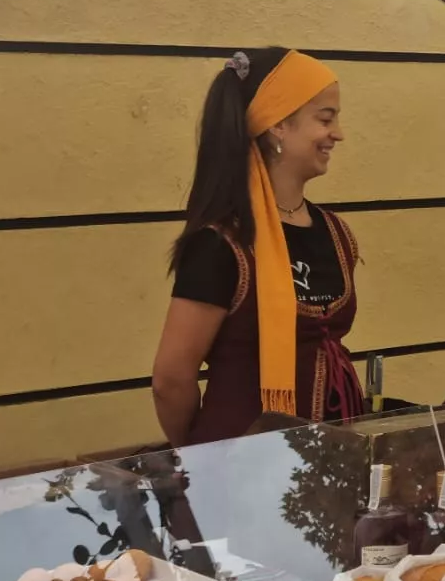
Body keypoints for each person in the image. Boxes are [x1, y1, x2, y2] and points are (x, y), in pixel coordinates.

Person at [151, 48, 363, 446]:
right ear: (279, 125)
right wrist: (202, 454)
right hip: (241, 463)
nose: (338, 133)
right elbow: (171, 379)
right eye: (325, 118)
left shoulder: (336, 233)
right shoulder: (219, 245)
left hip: (333, 459)